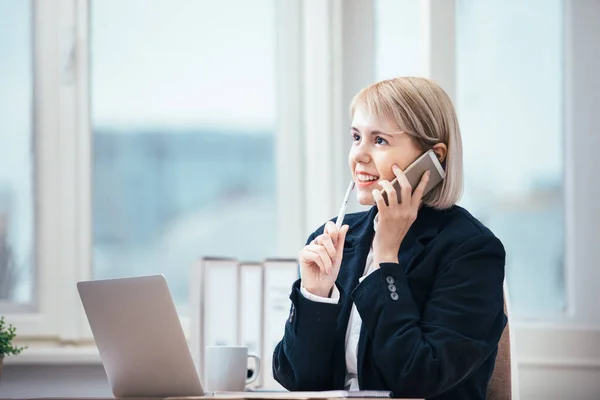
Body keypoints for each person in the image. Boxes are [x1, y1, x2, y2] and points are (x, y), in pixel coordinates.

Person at [272, 77, 506, 400]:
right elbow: (297, 379)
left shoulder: (472, 252)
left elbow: (417, 378)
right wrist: (316, 296)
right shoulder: (339, 239)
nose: (359, 156)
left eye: (379, 140)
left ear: (434, 158)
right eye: (356, 137)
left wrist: (386, 261)